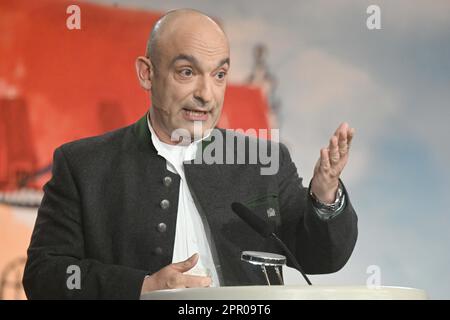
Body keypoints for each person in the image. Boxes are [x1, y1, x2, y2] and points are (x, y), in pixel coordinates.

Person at [23, 9, 357, 299]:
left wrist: (325, 195)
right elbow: (44, 275)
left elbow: (321, 259)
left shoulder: (263, 161)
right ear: (147, 73)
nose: (206, 95)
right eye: (187, 72)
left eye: (219, 75)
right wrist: (140, 288)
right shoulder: (84, 165)